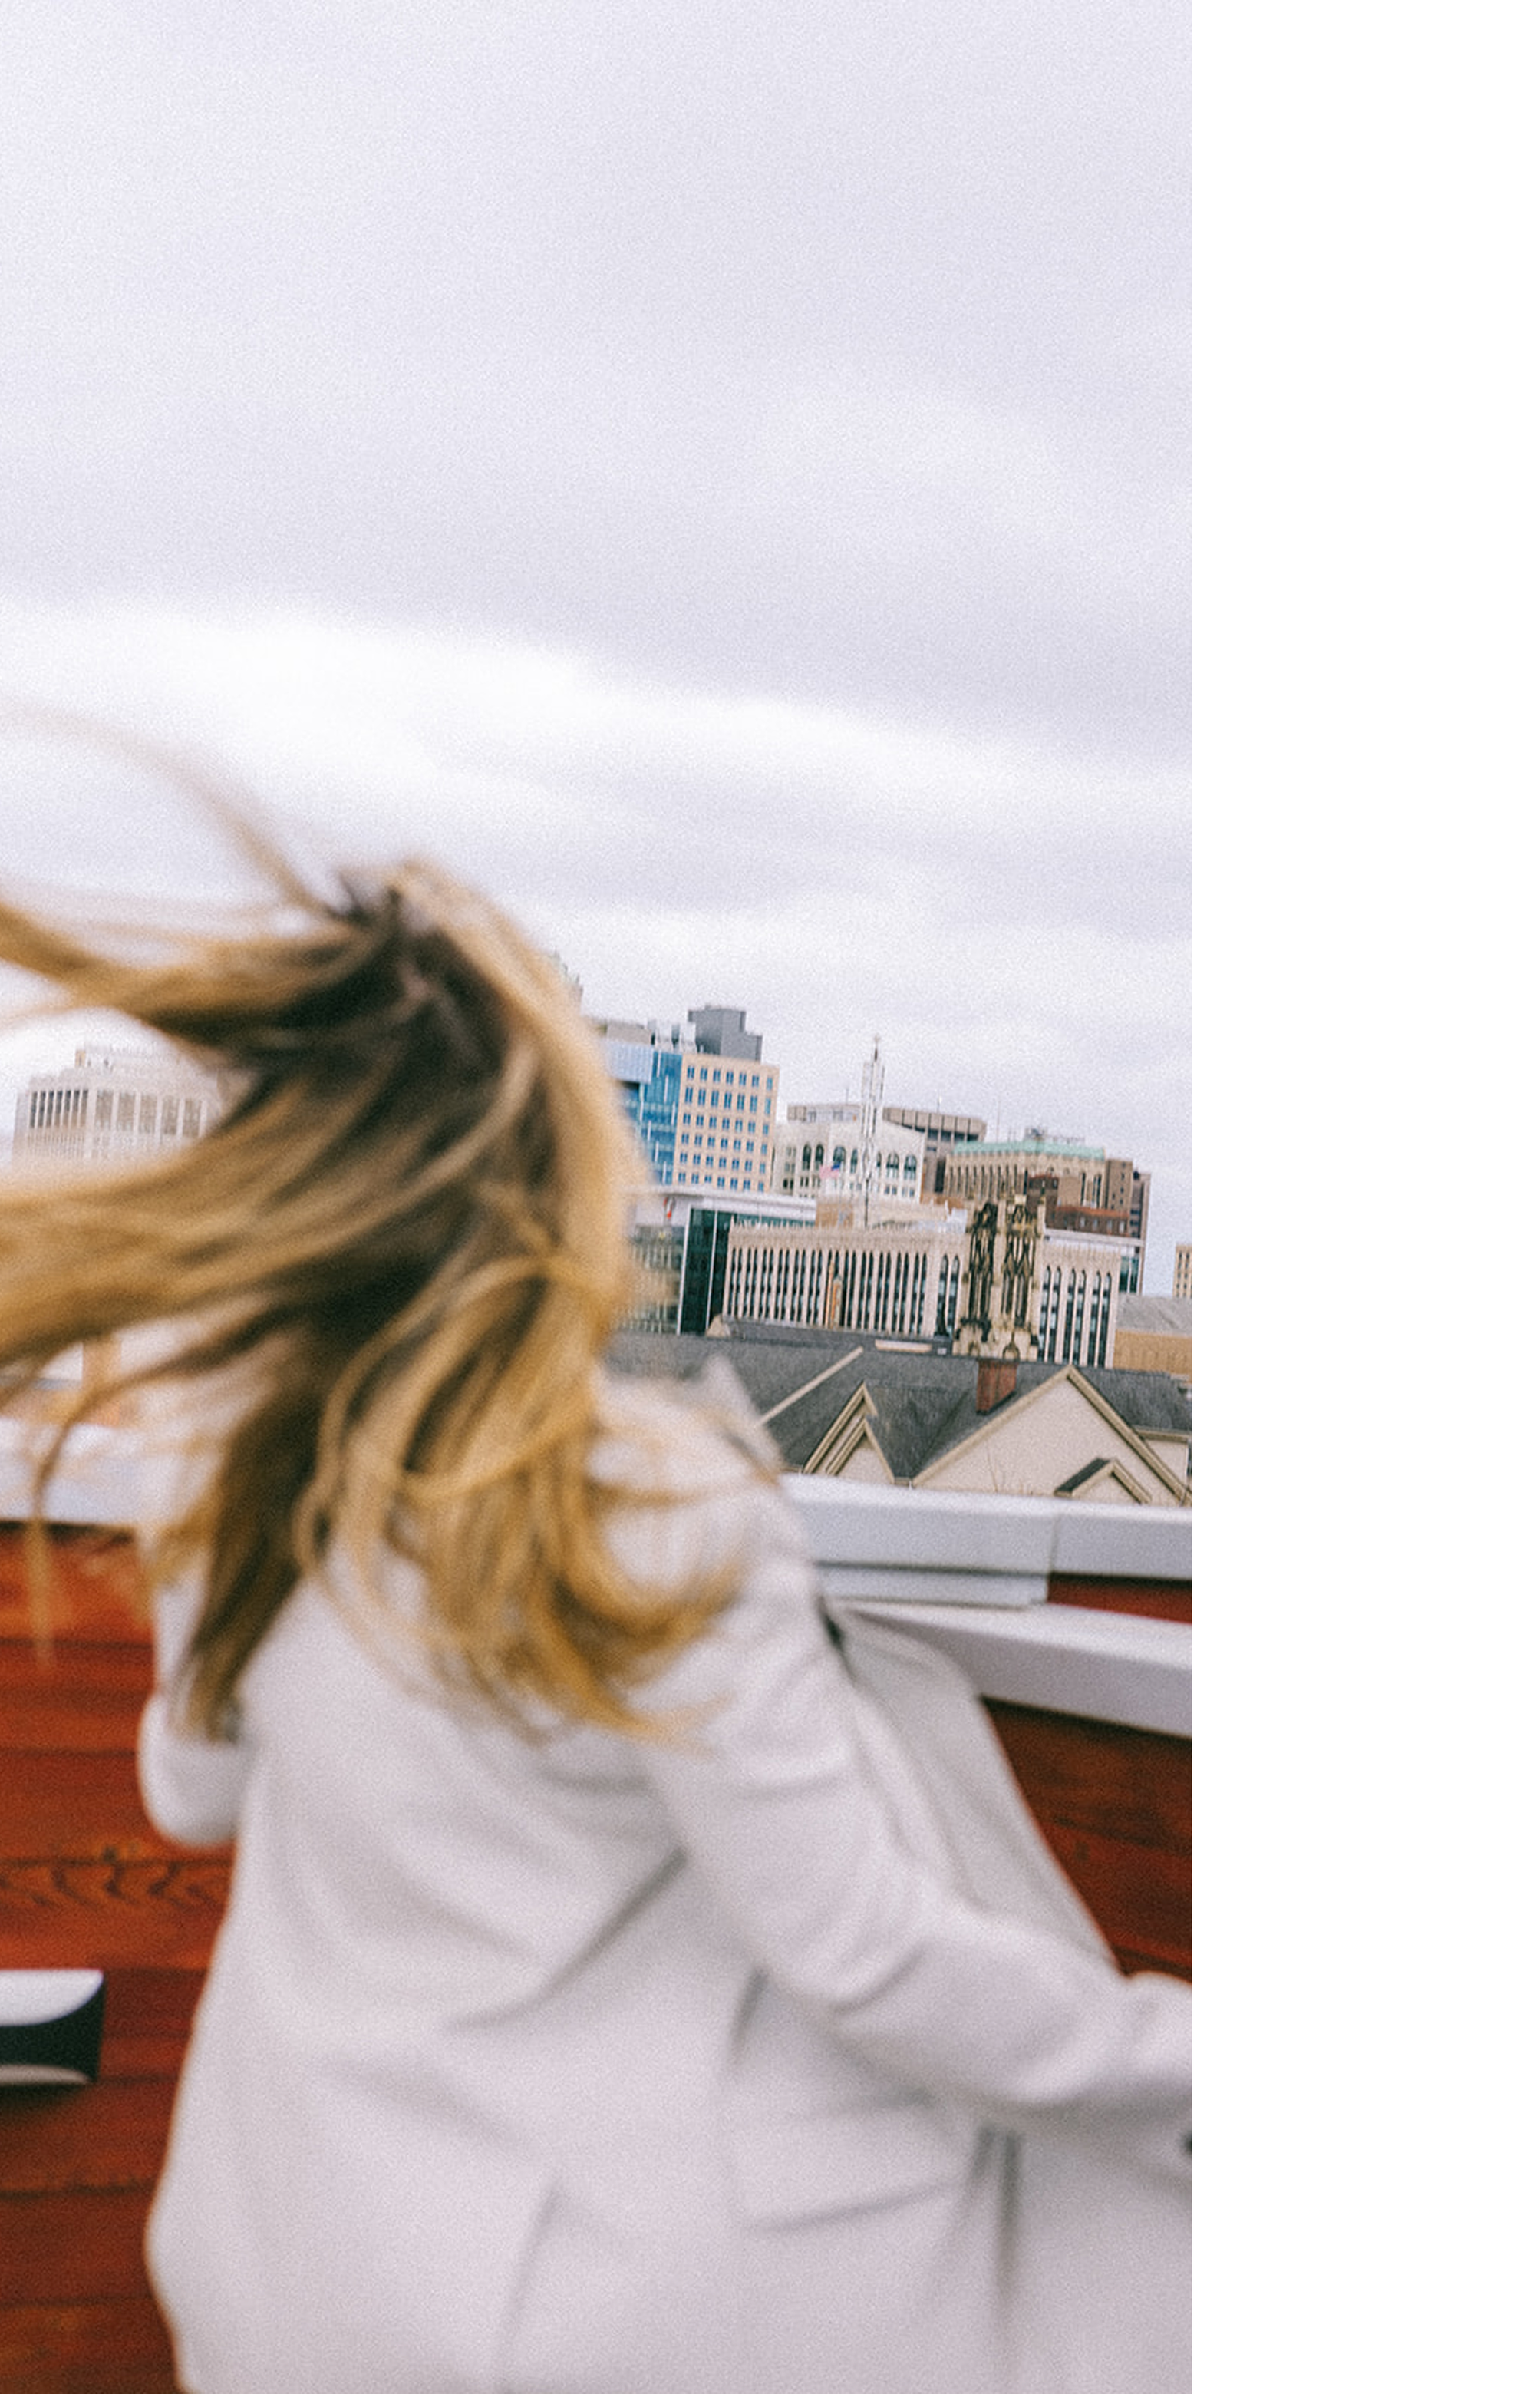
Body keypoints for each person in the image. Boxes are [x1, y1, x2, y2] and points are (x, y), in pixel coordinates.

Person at [0, 795, 1191, 2394]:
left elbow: (189, 1788)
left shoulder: (249, 1465)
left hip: (279, 2261)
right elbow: (867, 1957)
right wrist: (1189, 2057)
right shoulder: (648, 1505)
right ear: (542, 1184)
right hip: (559, 2316)